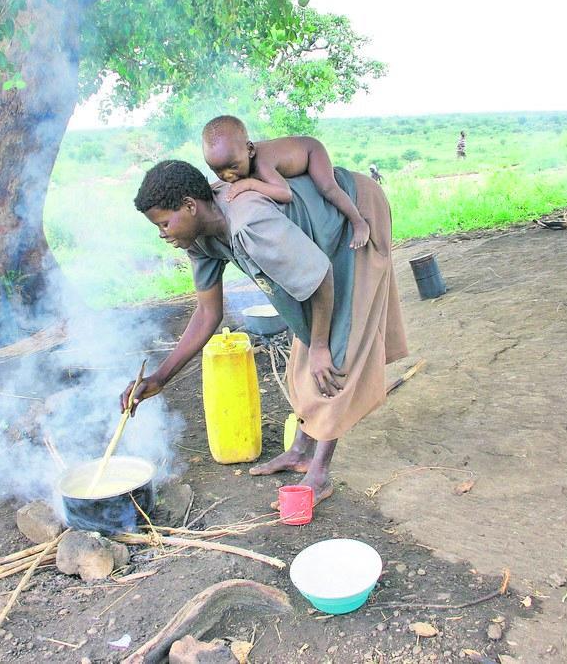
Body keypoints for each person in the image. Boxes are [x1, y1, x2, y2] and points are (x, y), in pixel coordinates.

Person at [123, 160, 408, 507]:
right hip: (321, 241)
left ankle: (318, 474)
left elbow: (320, 279)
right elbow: (207, 313)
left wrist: (320, 346)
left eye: (164, 223)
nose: (163, 233)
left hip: (353, 214)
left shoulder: (249, 222)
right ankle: (302, 450)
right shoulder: (197, 238)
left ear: (189, 206)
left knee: (336, 349)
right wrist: (160, 377)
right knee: (308, 332)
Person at [201, 115, 371, 250]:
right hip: (294, 152)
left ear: (250, 150)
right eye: (218, 170)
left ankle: (358, 222)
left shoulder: (262, 164)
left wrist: (250, 184)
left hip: (311, 151)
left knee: (327, 188)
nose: (228, 176)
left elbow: (285, 193)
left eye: (232, 167)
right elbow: (225, 177)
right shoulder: (238, 157)